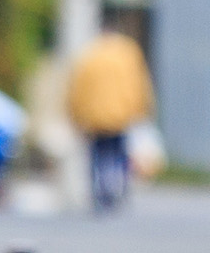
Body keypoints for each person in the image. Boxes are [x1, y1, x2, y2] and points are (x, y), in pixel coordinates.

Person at [66, 25, 156, 210]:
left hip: (94, 117)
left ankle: (99, 191)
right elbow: (139, 83)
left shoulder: (90, 55)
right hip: (120, 115)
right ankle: (117, 187)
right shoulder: (128, 53)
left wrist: (75, 114)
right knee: (118, 152)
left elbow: (77, 88)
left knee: (97, 154)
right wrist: (143, 108)